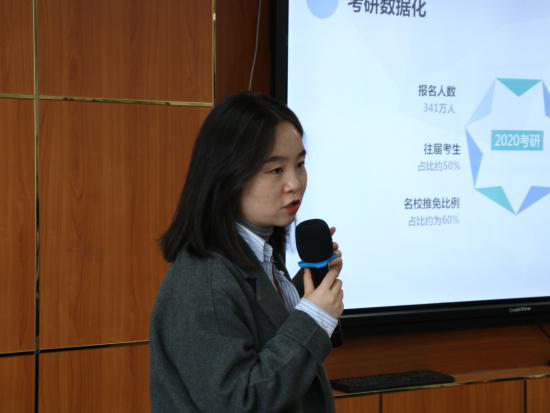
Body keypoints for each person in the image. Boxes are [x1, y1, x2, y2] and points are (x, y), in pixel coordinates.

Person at [149, 92, 344, 413]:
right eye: (276, 170)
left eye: (300, 164)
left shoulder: (257, 252)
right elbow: (239, 401)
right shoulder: (204, 279)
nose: (295, 183)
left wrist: (308, 290)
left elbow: (264, 331)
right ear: (229, 176)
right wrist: (313, 318)